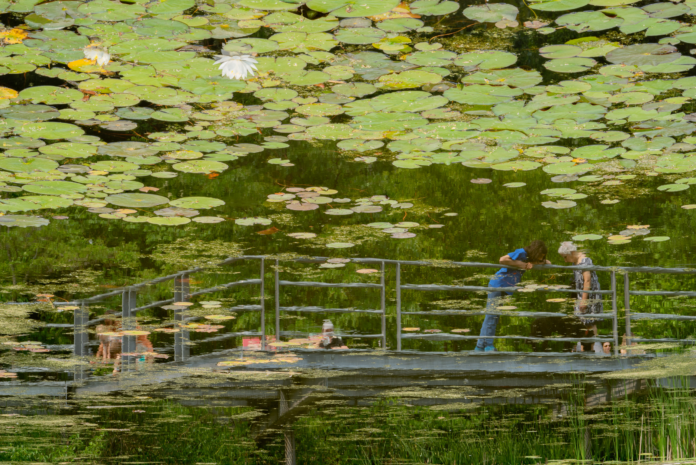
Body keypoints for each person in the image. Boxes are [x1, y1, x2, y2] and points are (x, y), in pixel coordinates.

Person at [475, 240, 551, 352]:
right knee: (491, 315)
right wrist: (522, 265)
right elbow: (502, 259)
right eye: (540, 255)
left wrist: (540, 262)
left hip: (504, 287)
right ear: (536, 251)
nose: (540, 258)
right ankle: (487, 345)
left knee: (494, 316)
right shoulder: (521, 252)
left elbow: (542, 262)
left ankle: (481, 345)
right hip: (498, 284)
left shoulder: (529, 257)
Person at [558, 241, 604, 351]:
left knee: (590, 322)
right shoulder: (575, 263)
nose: (565, 260)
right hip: (581, 295)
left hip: (589, 297)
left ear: (571, 252)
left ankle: (593, 348)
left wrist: (584, 301)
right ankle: (584, 347)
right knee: (582, 321)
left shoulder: (585, 261)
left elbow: (587, 281)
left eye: (565, 257)